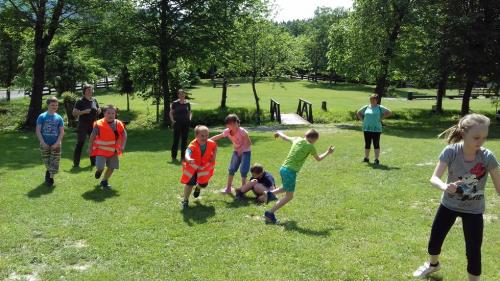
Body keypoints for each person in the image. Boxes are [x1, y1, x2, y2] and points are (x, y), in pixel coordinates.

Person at [412, 114, 500, 281]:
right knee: (434, 242)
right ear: (463, 133)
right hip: (448, 205)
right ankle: (433, 265)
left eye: (484, 138)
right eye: (476, 137)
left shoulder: (487, 157)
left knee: (473, 251)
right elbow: (434, 177)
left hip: (474, 211)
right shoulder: (451, 151)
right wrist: (445, 186)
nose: (481, 142)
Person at [264, 129, 334, 224]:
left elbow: (285, 137)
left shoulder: (297, 139)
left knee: (285, 188)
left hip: (283, 168)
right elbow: (318, 159)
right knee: (289, 196)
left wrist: (278, 132)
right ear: (313, 139)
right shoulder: (310, 146)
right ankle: (269, 213)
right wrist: (328, 152)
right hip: (290, 172)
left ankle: (269, 194)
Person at [88, 105, 127, 190]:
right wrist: (90, 147)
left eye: (113, 113)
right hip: (101, 150)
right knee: (100, 166)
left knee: (112, 167)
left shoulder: (118, 123)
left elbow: (124, 134)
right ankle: (99, 171)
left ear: (115, 114)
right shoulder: (99, 124)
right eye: (108, 113)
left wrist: (123, 145)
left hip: (113, 151)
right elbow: (92, 136)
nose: (111, 115)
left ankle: (104, 181)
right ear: (104, 113)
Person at [210, 114, 252, 194]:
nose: (232, 125)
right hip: (236, 152)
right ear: (227, 125)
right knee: (231, 169)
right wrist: (208, 140)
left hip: (246, 152)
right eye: (230, 123)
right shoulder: (227, 131)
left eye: (234, 123)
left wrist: (242, 150)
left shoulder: (242, 131)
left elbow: (249, 142)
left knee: (243, 170)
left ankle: (243, 190)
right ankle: (228, 188)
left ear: (238, 123)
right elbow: (219, 136)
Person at [180, 125, 217, 208]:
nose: (205, 138)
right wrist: (188, 159)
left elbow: (214, 147)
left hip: (204, 167)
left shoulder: (211, 143)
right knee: (190, 183)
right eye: (202, 136)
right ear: (196, 136)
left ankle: (198, 187)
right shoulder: (193, 145)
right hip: (193, 168)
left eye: (207, 135)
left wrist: (214, 156)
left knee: (204, 184)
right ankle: (185, 200)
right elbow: (187, 152)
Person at [36, 97, 65, 187]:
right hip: (44, 143)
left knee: (55, 162)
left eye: (56, 105)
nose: (55, 107)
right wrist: (43, 143)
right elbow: (38, 131)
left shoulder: (59, 117)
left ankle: (50, 178)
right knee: (47, 161)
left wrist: (57, 143)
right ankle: (48, 174)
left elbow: (62, 132)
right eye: (52, 105)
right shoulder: (42, 116)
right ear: (48, 105)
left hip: (56, 144)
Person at [356, 94, 392, 165]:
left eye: (373, 99)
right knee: (367, 143)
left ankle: (376, 159)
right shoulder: (366, 107)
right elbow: (358, 112)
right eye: (371, 99)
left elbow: (389, 112)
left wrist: (381, 118)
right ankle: (366, 158)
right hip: (367, 128)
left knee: (376, 144)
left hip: (376, 129)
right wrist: (363, 120)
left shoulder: (379, 107)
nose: (371, 101)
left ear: (376, 100)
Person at [73, 84, 100, 167]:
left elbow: (98, 111)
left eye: (91, 89)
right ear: (84, 91)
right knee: (80, 143)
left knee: (93, 143)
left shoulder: (94, 100)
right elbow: (74, 113)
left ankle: (93, 163)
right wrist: (83, 112)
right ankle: (76, 163)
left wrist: (99, 111)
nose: (90, 91)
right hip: (83, 125)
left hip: (93, 125)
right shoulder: (80, 101)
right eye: (88, 90)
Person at [169, 89, 192, 161]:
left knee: (184, 140)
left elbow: (190, 112)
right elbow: (170, 113)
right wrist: (172, 120)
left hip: (186, 124)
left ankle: (183, 157)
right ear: (178, 95)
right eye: (180, 94)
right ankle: (174, 157)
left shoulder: (187, 103)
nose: (182, 95)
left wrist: (190, 119)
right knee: (176, 140)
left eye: (183, 94)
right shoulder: (175, 103)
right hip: (177, 124)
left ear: (185, 95)